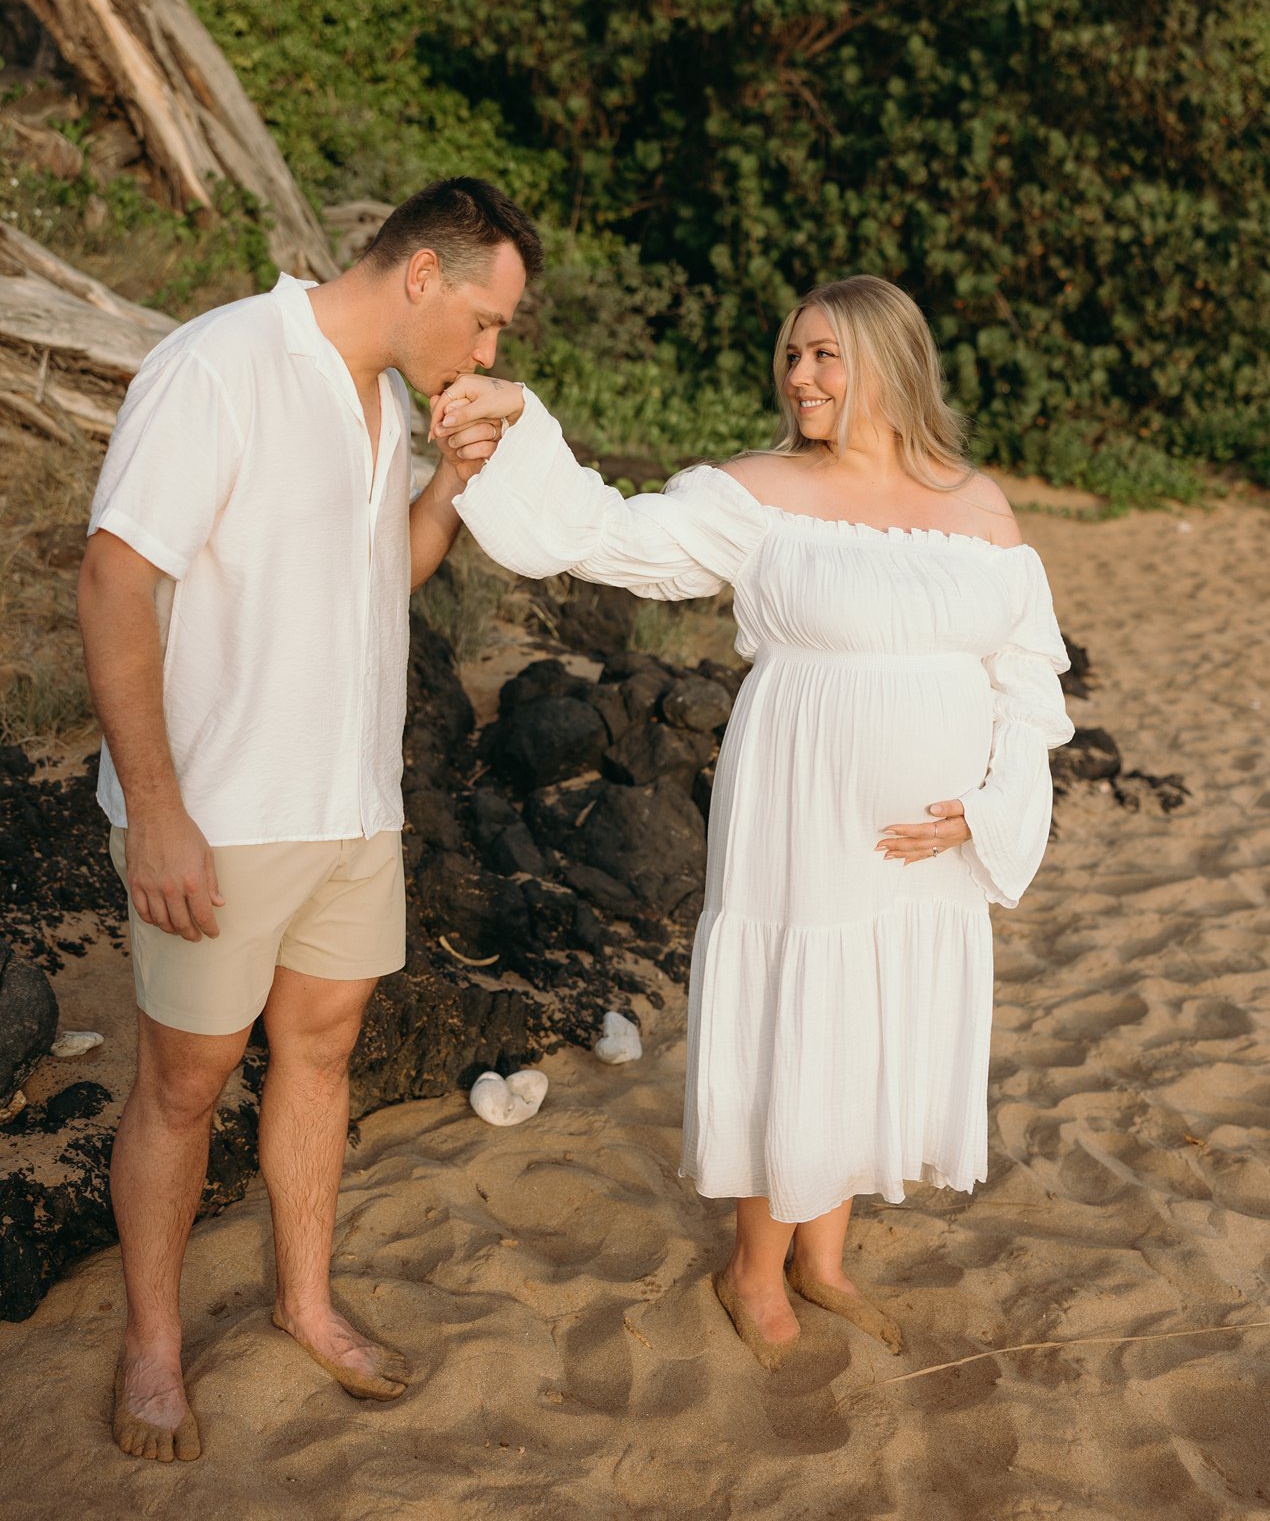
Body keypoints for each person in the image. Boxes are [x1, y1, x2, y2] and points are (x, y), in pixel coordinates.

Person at [431, 274, 1073, 1369]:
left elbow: (1026, 682)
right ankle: (751, 1269)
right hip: (804, 805)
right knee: (805, 1013)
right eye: (791, 355)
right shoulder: (757, 492)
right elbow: (606, 533)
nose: (801, 374)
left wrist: (984, 811)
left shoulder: (977, 502)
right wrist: (521, 421)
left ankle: (823, 1264)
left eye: (825, 354)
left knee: (875, 1018)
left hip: (932, 840)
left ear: (889, 363)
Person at [77, 177, 537, 1461]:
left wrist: (443, 485)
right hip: (219, 812)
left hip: (351, 804)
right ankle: (154, 1351)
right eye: (489, 321)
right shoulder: (219, 363)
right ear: (421, 277)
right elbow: (114, 578)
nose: (490, 351)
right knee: (184, 1083)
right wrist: (158, 813)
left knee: (321, 1055)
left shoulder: (385, 402)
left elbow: (384, 568)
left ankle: (304, 1299)